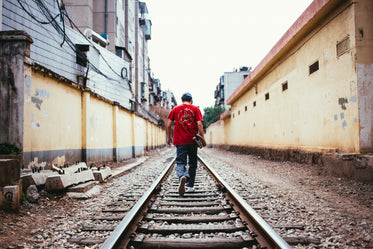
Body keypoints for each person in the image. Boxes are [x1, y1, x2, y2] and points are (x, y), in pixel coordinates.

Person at [167, 92, 205, 196]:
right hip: (192, 140)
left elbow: (169, 124)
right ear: (191, 100)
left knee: (180, 162)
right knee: (193, 163)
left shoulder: (175, 109)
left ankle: (183, 176)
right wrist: (203, 137)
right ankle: (190, 186)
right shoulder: (195, 109)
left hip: (180, 141)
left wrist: (169, 136)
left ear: (181, 100)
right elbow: (199, 123)